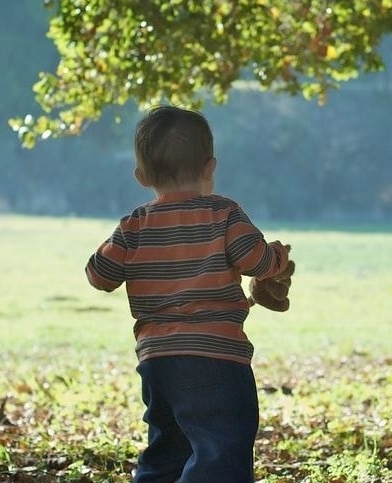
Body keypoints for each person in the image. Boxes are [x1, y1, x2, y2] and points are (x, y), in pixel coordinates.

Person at [85, 106, 293, 483]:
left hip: (158, 363)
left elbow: (100, 275)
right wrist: (278, 257)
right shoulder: (224, 213)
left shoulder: (134, 223)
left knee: (167, 451)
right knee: (221, 453)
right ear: (210, 167)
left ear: (142, 175)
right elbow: (255, 260)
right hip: (217, 358)